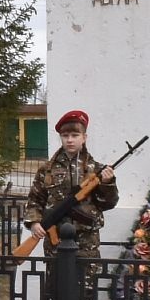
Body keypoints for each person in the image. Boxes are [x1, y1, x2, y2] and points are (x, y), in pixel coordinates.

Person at [28, 110, 121, 265]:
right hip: (55, 241)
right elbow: (35, 200)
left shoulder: (96, 170)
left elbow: (109, 203)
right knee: (55, 286)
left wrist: (107, 183)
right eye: (65, 136)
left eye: (75, 135)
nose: (70, 140)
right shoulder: (47, 170)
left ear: (84, 138)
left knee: (86, 288)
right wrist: (34, 222)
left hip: (87, 243)